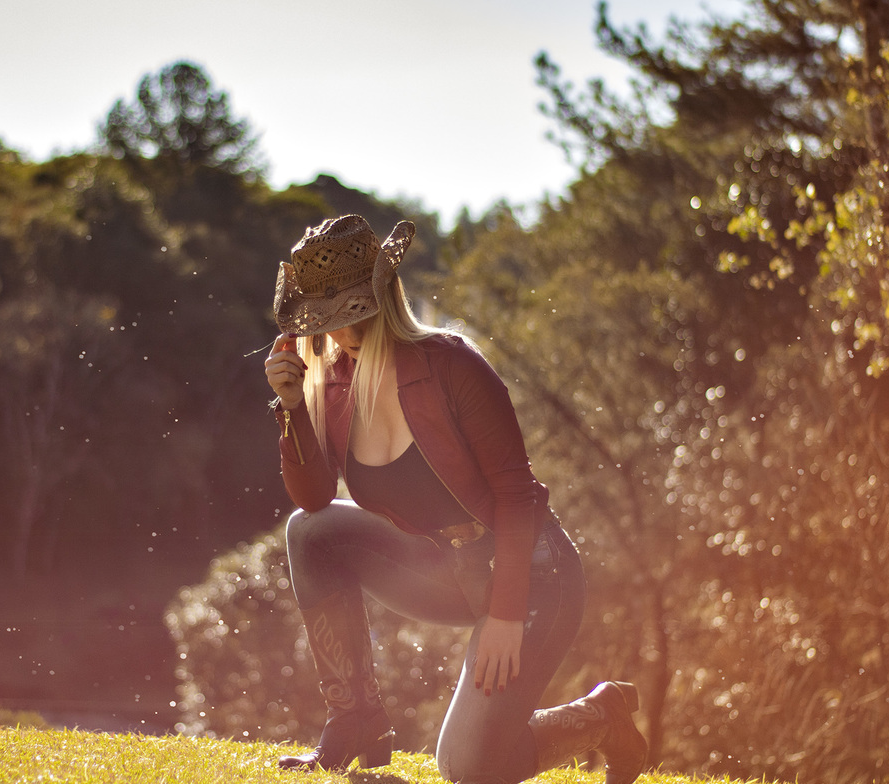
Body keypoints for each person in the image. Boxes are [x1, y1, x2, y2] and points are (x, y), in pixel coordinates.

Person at [263, 214, 647, 784]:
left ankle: (600, 717)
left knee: (468, 770)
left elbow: (518, 498)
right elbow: (315, 497)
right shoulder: (335, 382)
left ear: (382, 296)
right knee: (308, 530)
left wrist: (508, 613)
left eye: (350, 312)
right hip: (445, 570)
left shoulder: (451, 364)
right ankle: (355, 720)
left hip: (533, 577)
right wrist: (293, 406)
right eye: (325, 318)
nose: (340, 332)